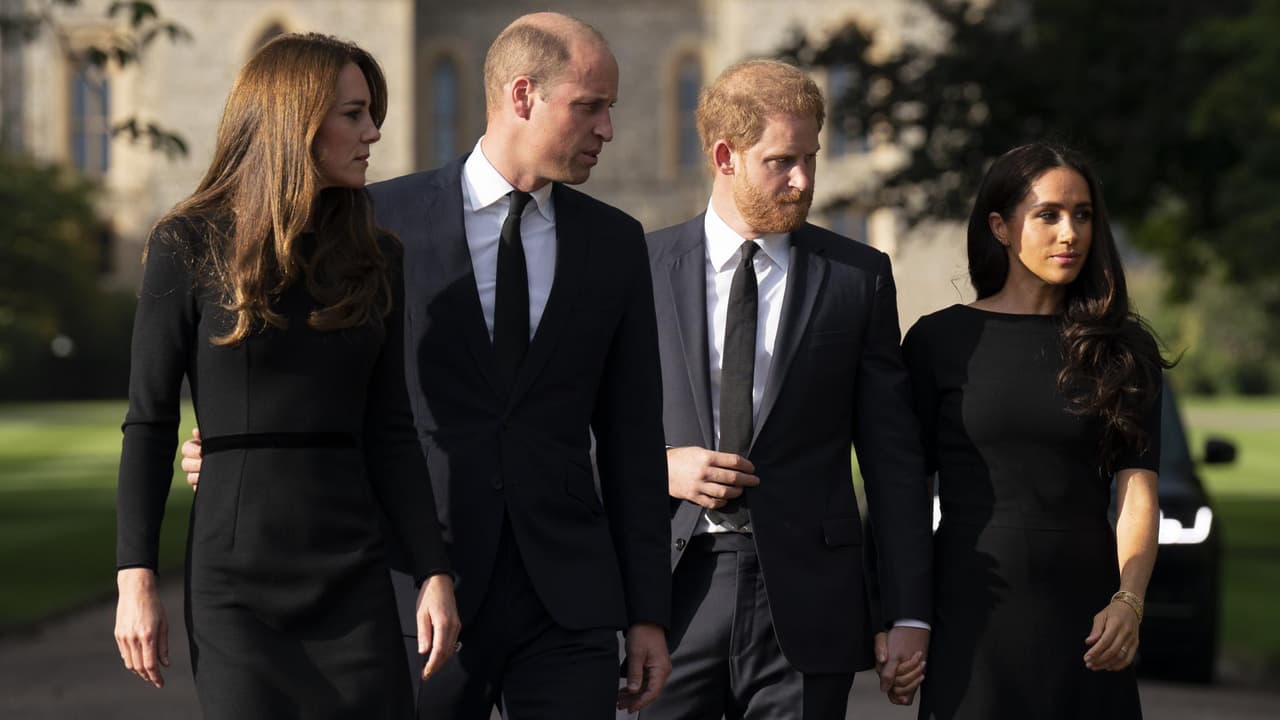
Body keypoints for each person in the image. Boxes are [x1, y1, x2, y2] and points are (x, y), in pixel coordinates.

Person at [184, 12, 672, 720]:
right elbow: (308, 381)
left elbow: (631, 440)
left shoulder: (617, 244)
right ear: (523, 95)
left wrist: (648, 613)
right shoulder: (378, 220)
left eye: (610, 109)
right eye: (590, 106)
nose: (607, 130)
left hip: (569, 602)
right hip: (420, 587)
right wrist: (235, 450)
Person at [113, 33, 459, 719]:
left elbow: (392, 430)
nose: (374, 132)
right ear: (297, 120)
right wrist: (135, 578)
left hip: (354, 573)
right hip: (236, 583)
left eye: (371, 113)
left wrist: (432, 570)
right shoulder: (185, 243)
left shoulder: (375, 255)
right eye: (354, 114)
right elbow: (150, 424)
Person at [635, 59, 933, 719]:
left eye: (811, 158)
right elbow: (577, 426)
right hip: (666, 596)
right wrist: (659, 468)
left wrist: (908, 610)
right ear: (725, 156)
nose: (802, 181)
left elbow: (893, 460)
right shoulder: (638, 269)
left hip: (806, 603)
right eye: (781, 161)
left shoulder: (858, 278)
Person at [903, 142, 1166, 719]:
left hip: (1090, 619)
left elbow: (1137, 490)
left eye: (1083, 214)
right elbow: (905, 494)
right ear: (1000, 226)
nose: (1069, 232)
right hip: (971, 612)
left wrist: (1129, 601)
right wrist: (903, 616)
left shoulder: (1124, 348)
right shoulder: (937, 343)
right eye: (1048, 214)